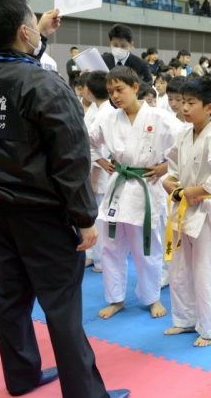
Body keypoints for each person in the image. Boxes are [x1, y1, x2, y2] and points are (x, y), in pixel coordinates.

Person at [0, 0, 129, 398]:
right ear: (24, 31)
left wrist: (36, 36)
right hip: (44, 214)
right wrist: (85, 218)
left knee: (10, 298)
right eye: (31, 25)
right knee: (62, 309)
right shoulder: (46, 85)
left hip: (2, 208)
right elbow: (71, 159)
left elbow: (14, 72)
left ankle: (21, 376)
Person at [89, 66, 184, 320]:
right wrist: (101, 161)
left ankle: (152, 297)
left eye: (119, 90)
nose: (114, 96)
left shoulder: (159, 117)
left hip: (145, 187)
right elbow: (89, 142)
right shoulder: (107, 119)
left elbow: (185, 142)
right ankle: (116, 298)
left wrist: (165, 166)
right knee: (110, 247)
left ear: (134, 88)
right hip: (118, 186)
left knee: (147, 247)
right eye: (110, 91)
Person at [160, 76, 211, 346]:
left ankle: (210, 327)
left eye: (191, 103)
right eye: (183, 102)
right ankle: (184, 319)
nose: (184, 108)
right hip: (182, 207)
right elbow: (172, 167)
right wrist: (168, 182)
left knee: (206, 271)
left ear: (209, 108)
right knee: (179, 267)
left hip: (204, 211)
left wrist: (193, 191)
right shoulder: (184, 133)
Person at [83, 71, 117, 273]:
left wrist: (94, 180)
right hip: (96, 171)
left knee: (100, 219)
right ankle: (92, 256)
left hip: (100, 175)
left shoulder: (105, 114)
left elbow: (99, 150)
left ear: (88, 91)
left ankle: (101, 261)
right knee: (95, 217)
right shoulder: (98, 110)